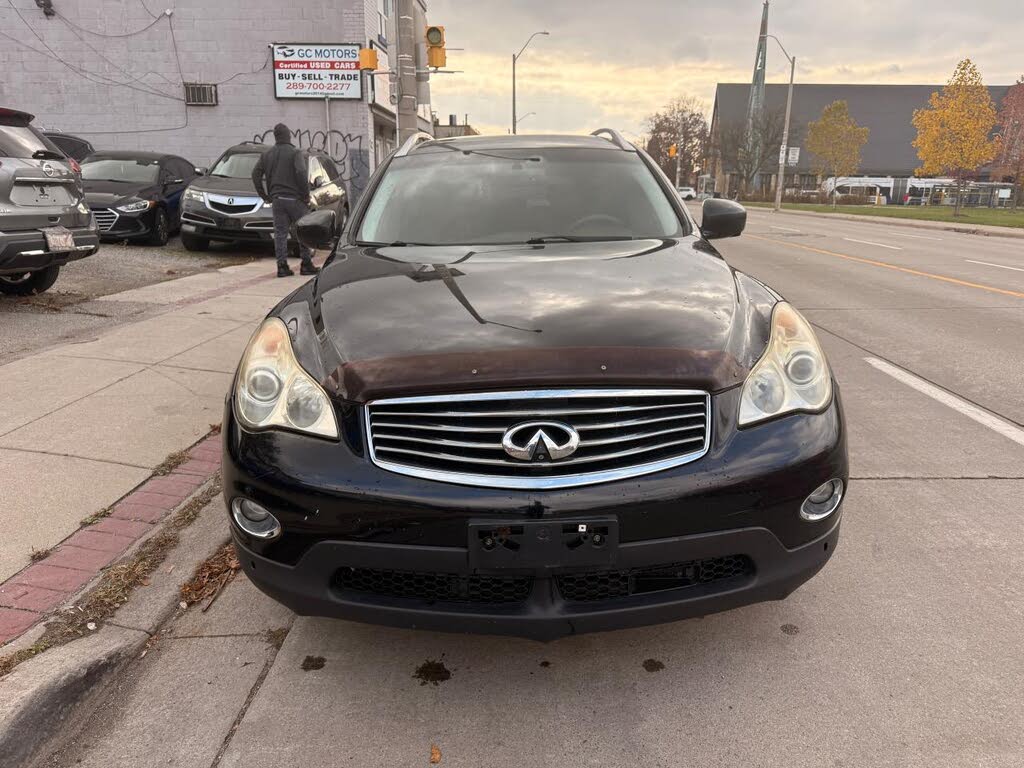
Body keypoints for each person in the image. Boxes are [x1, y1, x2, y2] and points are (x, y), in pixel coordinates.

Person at [252, 123, 319, 277]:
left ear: (276, 137)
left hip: (277, 200)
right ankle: (306, 264)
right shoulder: (295, 153)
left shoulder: (267, 155)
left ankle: (282, 266)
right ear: (289, 135)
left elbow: (255, 174)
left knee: (280, 234)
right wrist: (305, 194)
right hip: (295, 199)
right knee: (304, 230)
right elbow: (301, 172)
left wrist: (264, 195)